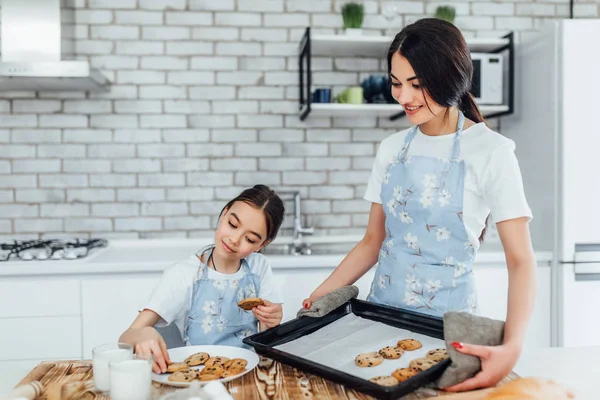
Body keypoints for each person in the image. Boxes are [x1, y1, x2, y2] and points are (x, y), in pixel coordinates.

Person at [302, 18, 536, 392]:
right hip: (379, 320)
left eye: (418, 84)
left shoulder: (492, 152)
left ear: (451, 79)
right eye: (396, 83)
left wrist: (513, 344)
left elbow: (521, 260)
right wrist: (315, 300)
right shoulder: (392, 149)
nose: (403, 96)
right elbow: (372, 242)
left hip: (448, 332)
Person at [120, 185, 285, 373]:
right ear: (224, 214)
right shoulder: (183, 275)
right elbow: (126, 336)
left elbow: (267, 340)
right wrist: (143, 333)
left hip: (250, 373)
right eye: (232, 224)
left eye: (250, 239)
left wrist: (272, 324)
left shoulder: (259, 267)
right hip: (198, 376)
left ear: (262, 244)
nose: (234, 239)